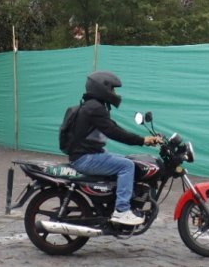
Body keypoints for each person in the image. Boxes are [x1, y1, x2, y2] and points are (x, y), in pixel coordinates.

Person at [64, 70, 162, 226]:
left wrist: (144, 140)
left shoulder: (94, 106)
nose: (115, 93)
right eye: (113, 89)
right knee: (127, 166)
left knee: (127, 160)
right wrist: (142, 140)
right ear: (103, 88)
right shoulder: (94, 108)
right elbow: (114, 132)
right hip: (85, 158)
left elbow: (113, 127)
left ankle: (114, 202)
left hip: (89, 154)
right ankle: (122, 210)